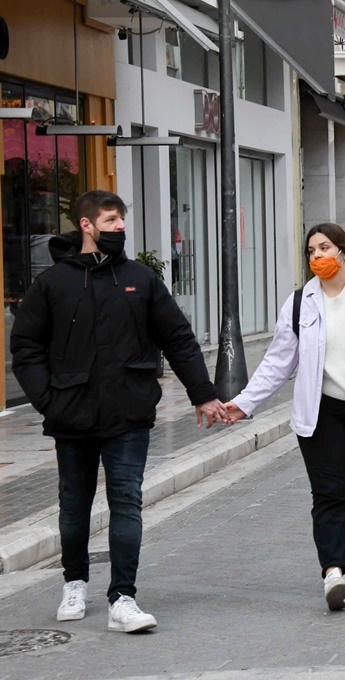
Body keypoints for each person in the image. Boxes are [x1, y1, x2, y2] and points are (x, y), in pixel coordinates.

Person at [11, 190, 226, 632]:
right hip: (71, 415)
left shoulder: (140, 279)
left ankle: (123, 598)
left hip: (129, 413)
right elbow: (26, 348)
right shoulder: (53, 283)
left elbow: (179, 338)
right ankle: (74, 581)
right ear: (87, 225)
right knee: (74, 506)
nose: (120, 228)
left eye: (122, 220)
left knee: (126, 501)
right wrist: (47, 400)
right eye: (111, 220)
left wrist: (202, 393)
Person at [223, 223, 345, 611]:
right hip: (320, 410)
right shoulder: (300, 304)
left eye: (324, 248)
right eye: (311, 251)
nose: (317, 257)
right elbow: (278, 363)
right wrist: (244, 403)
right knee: (330, 491)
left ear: (343, 252)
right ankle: (332, 570)